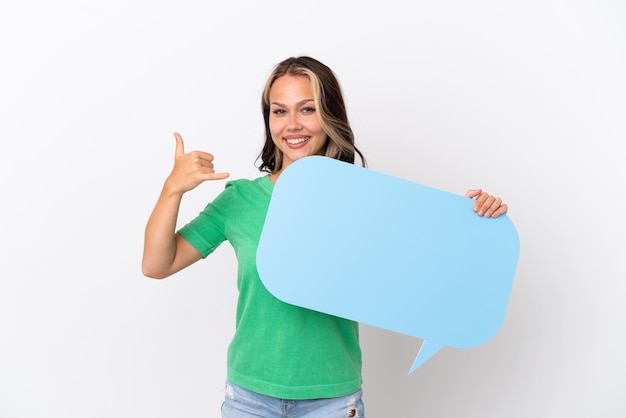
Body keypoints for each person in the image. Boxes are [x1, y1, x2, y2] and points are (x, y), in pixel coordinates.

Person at [142, 56, 508, 418]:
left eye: (307, 109)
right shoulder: (240, 200)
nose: (292, 125)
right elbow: (158, 264)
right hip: (248, 399)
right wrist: (172, 189)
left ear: (330, 115)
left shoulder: (365, 199)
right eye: (279, 111)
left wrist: (472, 222)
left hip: (331, 401)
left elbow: (426, 265)